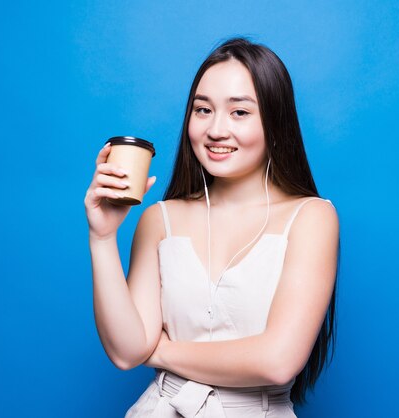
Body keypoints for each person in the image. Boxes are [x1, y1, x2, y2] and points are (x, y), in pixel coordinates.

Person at [84, 38, 339, 417]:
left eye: (239, 112)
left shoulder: (311, 217)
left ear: (275, 120)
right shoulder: (160, 218)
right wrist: (103, 237)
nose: (216, 129)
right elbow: (126, 351)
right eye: (203, 109)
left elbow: (278, 361)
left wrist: (163, 351)